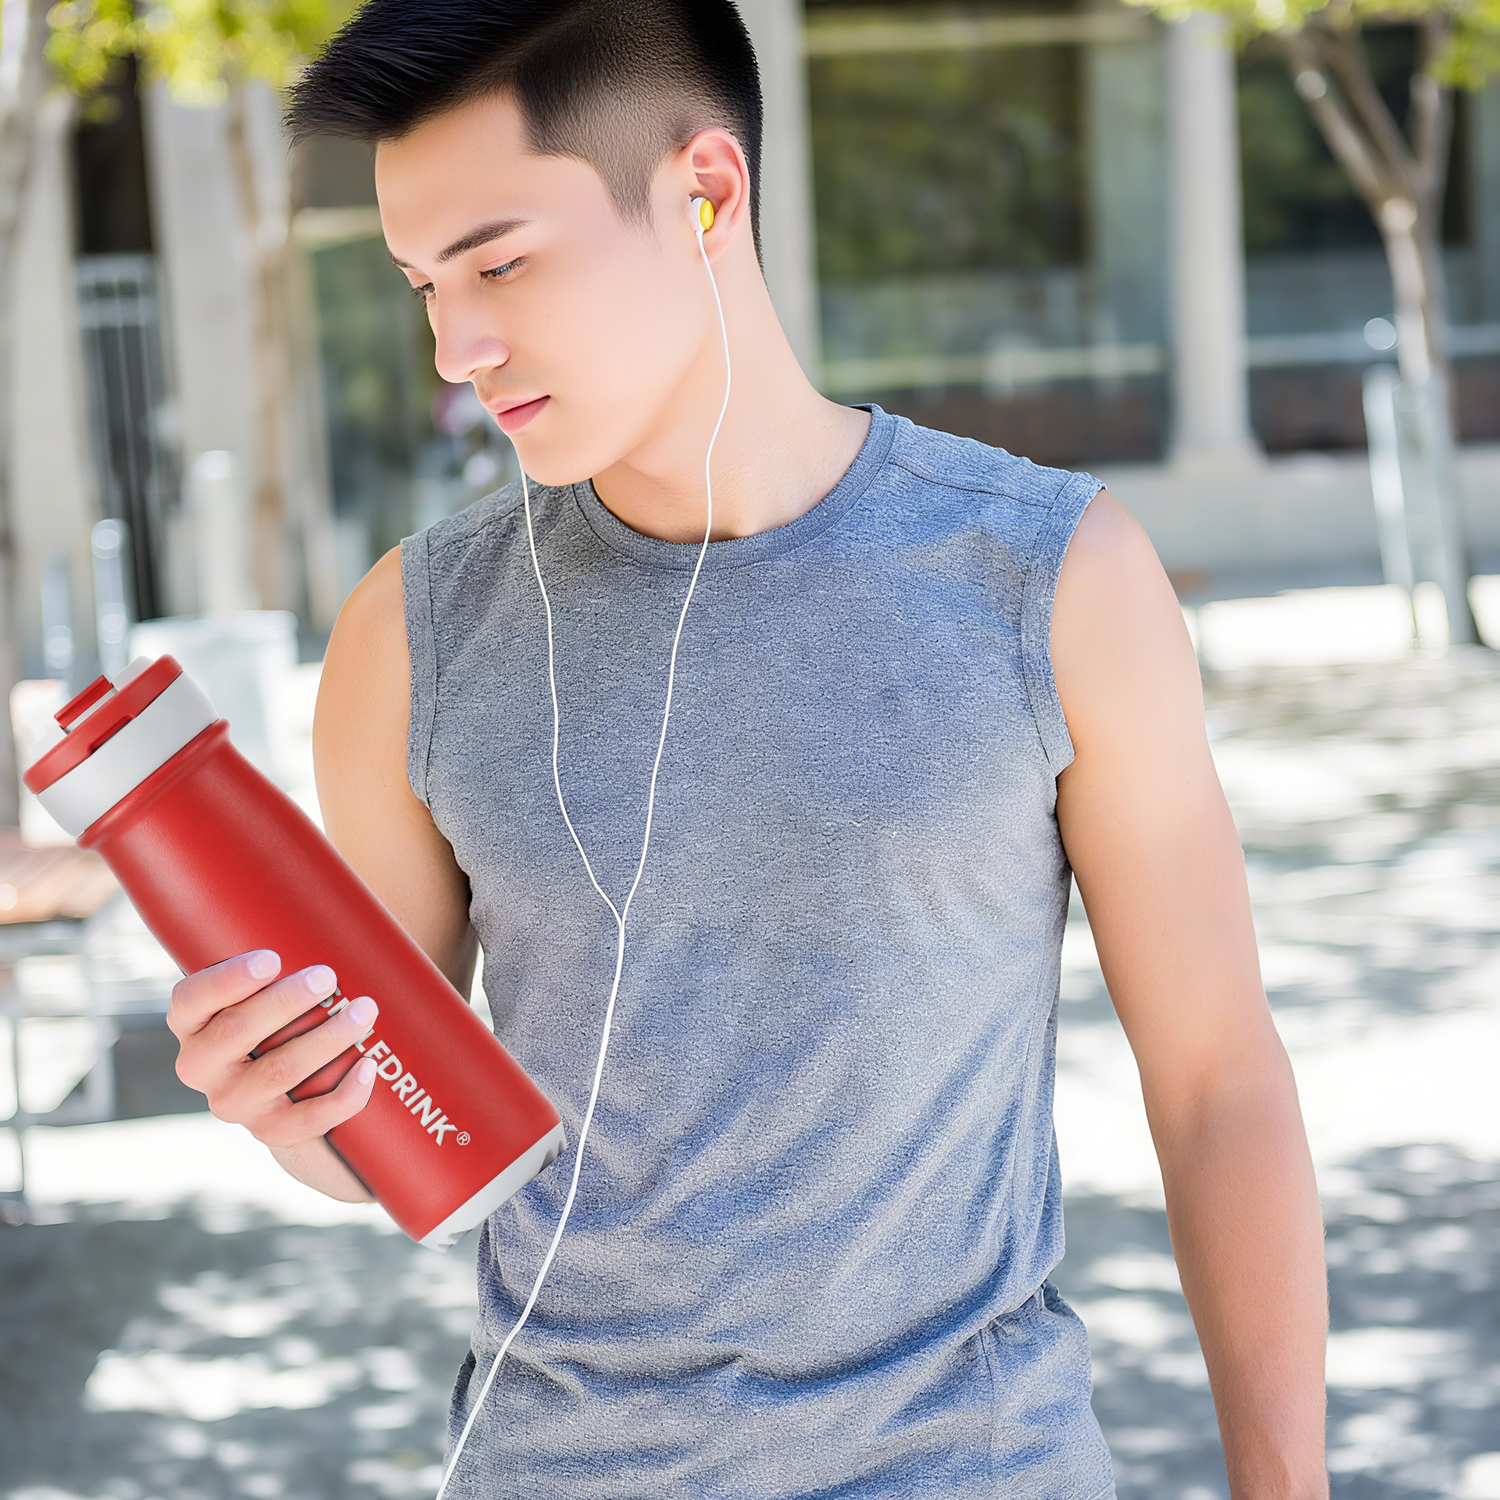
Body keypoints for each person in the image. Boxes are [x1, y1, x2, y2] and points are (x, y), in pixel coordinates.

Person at [164, 1, 1329, 1495]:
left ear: (707, 192)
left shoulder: (1052, 577)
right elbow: (401, 1140)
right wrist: (288, 1111)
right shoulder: (409, 634)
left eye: (503, 262)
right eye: (422, 284)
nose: (458, 347)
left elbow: (1220, 1078)